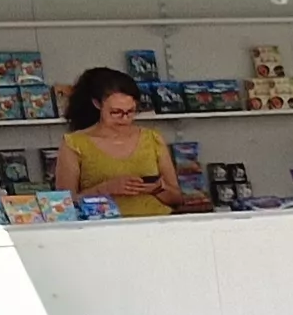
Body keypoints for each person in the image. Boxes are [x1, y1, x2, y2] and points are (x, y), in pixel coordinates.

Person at [58, 68, 200, 215]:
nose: (124, 118)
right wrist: (104, 189)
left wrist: (156, 188)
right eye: (116, 112)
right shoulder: (74, 143)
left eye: (130, 112)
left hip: (157, 225)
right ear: (97, 104)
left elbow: (177, 199)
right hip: (104, 230)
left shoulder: (152, 138)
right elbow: (63, 206)